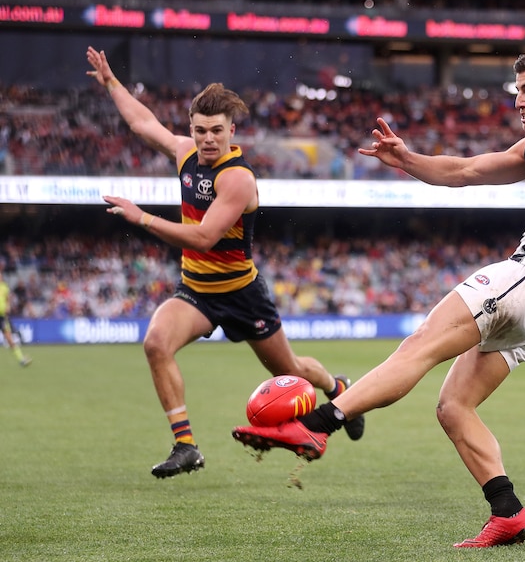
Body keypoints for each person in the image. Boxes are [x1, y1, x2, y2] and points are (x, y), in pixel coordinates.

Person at [232, 44, 525, 548]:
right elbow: (463, 172)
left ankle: (320, 423)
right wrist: (406, 158)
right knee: (454, 406)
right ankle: (509, 512)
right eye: (516, 91)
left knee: (420, 345)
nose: (518, 101)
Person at [85, 46, 364, 478]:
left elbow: (203, 236)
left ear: (232, 130)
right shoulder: (185, 154)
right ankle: (186, 446)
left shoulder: (237, 178)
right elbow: (143, 123)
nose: (207, 139)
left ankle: (337, 387)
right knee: (156, 343)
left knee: (291, 371)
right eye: (199, 131)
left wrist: (141, 217)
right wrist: (111, 82)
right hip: (196, 291)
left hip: (242, 294)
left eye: (216, 130)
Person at [0, 271, 31, 367]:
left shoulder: (4, 287)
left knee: (9, 338)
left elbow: (8, 298)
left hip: (2, 317)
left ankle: (21, 359)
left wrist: (8, 306)